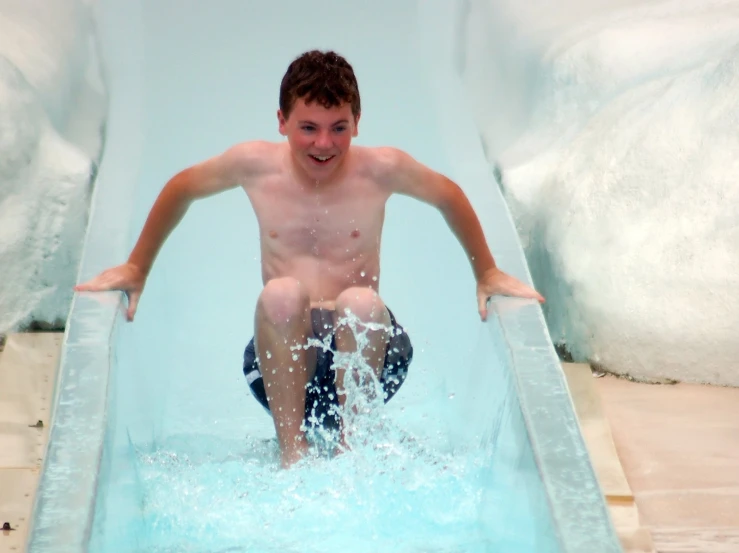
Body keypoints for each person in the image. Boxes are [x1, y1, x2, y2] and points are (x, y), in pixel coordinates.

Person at [74, 50, 545, 468]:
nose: (325, 144)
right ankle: (291, 453)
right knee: (281, 294)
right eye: (309, 128)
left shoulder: (381, 169)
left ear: (357, 122)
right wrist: (137, 268)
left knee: (359, 301)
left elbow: (448, 195)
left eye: (339, 128)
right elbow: (182, 188)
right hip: (285, 359)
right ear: (281, 121)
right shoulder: (253, 165)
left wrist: (485, 271)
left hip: (370, 354)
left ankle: (352, 450)